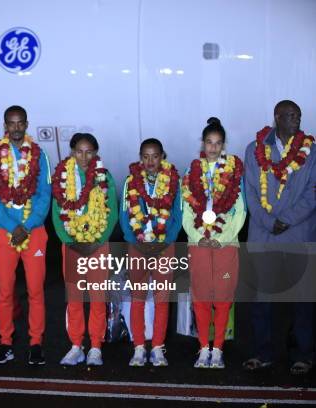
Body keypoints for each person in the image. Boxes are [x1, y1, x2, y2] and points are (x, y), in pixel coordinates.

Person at [242, 100, 315, 375]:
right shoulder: (255, 149)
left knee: (303, 300)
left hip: (299, 232)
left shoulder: (312, 151)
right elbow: (250, 192)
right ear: (277, 117)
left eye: (298, 115)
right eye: (291, 115)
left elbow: (312, 193)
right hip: (265, 233)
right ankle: (263, 352)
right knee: (262, 299)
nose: (296, 119)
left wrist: (286, 219)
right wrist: (270, 221)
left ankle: (303, 355)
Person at [0, 105, 51, 365]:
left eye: (20, 123)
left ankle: (36, 342)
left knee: (35, 291)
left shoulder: (39, 154)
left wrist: (28, 224)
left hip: (33, 231)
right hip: (5, 232)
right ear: (5, 125)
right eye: (11, 123)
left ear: (26, 124)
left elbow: (45, 194)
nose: (15, 128)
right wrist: (13, 226)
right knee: (4, 291)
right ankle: (5, 342)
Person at [181, 118, 246, 368]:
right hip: (198, 243)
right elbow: (186, 209)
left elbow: (240, 210)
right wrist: (198, 238)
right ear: (203, 143)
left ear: (223, 145)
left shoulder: (233, 171)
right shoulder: (191, 171)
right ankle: (203, 348)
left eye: (218, 143)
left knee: (222, 297)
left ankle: (217, 348)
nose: (213, 148)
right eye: (209, 142)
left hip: (225, 244)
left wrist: (221, 238)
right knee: (201, 298)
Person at [52, 133, 118, 366]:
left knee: (98, 298)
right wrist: (72, 242)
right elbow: (57, 216)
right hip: (72, 246)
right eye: (79, 151)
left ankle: (96, 347)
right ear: (72, 152)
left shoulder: (104, 177)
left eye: (89, 151)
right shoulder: (62, 176)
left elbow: (112, 213)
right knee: (75, 298)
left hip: (98, 246)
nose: (84, 156)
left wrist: (97, 242)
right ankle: (76, 345)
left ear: (96, 153)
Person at [120, 138, 182, 367]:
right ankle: (138, 347)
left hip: (164, 247)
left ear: (162, 156)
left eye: (154, 156)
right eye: (145, 156)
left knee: (161, 299)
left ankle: (157, 347)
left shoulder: (174, 181)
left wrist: (165, 240)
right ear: (140, 158)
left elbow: (178, 214)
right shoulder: (130, 181)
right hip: (137, 247)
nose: (150, 161)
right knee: (138, 298)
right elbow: (124, 216)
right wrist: (135, 241)